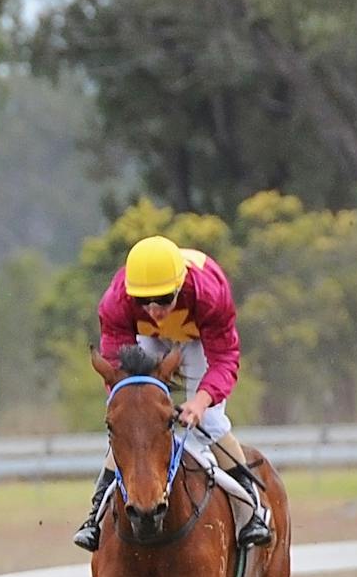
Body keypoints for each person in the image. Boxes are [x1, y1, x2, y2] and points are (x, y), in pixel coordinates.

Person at [75, 233, 272, 550]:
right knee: (134, 423)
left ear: (180, 287)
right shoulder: (116, 301)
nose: (154, 310)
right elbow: (115, 364)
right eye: (144, 302)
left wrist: (200, 402)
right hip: (148, 340)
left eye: (164, 299)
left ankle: (251, 509)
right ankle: (96, 513)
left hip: (198, 341)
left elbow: (224, 358)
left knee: (210, 423)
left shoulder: (209, 294)